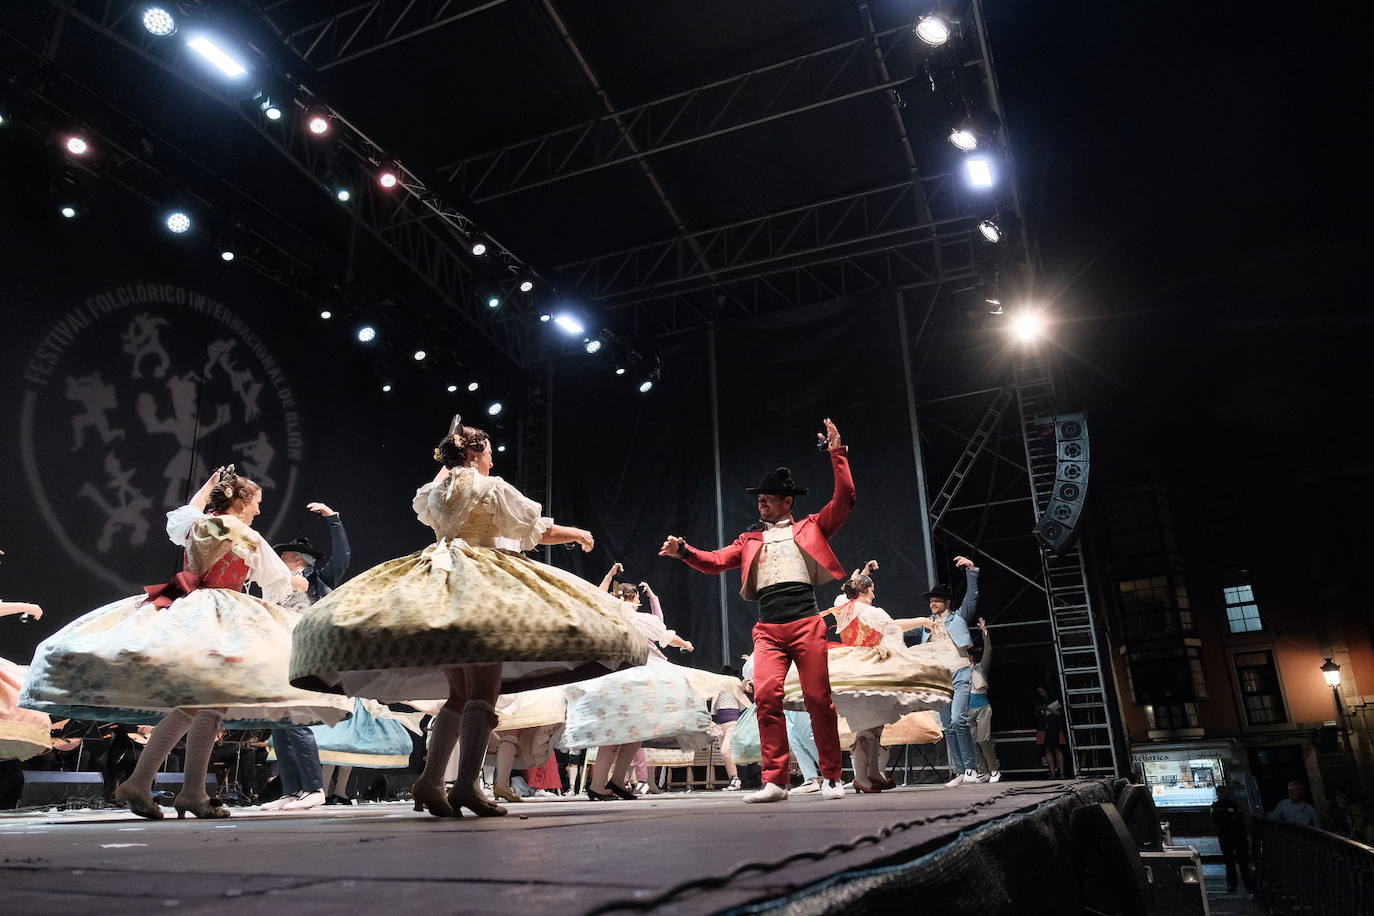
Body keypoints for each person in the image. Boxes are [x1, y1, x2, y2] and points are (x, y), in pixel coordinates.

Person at [289, 418, 650, 818]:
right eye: (489, 452)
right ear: (476, 453)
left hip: (443, 586)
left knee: (459, 694)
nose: (493, 459)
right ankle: (464, 786)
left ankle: (431, 781)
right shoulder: (491, 487)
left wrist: (450, 461)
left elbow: (442, 499)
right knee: (482, 691)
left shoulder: (433, 491)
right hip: (481, 585)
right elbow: (534, 531)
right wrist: (576, 532)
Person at [21, 466, 352, 820]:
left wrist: (209, 484)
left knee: (208, 702)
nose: (258, 510)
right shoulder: (244, 533)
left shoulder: (198, 524)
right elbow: (278, 579)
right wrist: (308, 585)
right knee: (203, 703)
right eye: (257, 502)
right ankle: (151, 784)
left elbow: (190, 509)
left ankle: (186, 790)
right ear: (242, 503)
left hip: (185, 606)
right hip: (220, 613)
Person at [661, 418, 852, 804]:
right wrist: (685, 552)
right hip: (768, 630)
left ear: (788, 501)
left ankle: (832, 776)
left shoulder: (811, 528)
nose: (761, 502)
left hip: (806, 623)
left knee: (818, 699)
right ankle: (775, 781)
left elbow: (845, 499)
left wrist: (837, 454)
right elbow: (715, 561)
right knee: (766, 697)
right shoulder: (749, 539)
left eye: (769, 497)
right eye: (759, 497)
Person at [562, 568, 727, 802]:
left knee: (632, 730)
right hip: (629, 676)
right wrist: (687, 644)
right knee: (620, 731)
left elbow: (597, 596)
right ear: (633, 599)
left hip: (612, 675)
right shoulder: (637, 618)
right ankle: (599, 785)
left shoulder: (607, 615)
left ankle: (615, 781)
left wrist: (608, 576)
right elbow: (666, 636)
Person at [792, 561, 953, 792]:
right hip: (867, 668)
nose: (874, 594)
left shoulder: (842, 605)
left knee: (874, 726)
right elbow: (893, 626)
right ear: (865, 591)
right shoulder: (871, 612)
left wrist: (865, 573)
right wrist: (924, 621)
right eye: (872, 589)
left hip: (851, 666)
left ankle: (873, 772)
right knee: (867, 727)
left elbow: (850, 588)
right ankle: (862, 777)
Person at [264, 502, 352, 811]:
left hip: (302, 653)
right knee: (279, 721)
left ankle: (315, 787)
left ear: (298, 559)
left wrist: (333, 518)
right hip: (277, 651)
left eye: (285, 557)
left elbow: (342, 557)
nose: (280, 561)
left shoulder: (318, 580)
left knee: (295, 719)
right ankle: (292, 790)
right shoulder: (275, 584)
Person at [894, 557, 982, 787]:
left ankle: (971, 768)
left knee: (958, 719)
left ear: (946, 602)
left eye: (937, 601)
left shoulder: (958, 617)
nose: (933, 604)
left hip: (959, 672)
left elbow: (971, 598)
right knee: (948, 726)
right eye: (931, 601)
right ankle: (960, 771)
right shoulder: (926, 625)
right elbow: (908, 635)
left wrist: (971, 570)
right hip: (939, 678)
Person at [967, 618, 1000, 783]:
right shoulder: (958, 673)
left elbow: (988, 651)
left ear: (971, 657)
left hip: (982, 707)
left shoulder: (980, 668)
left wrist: (984, 632)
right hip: (968, 710)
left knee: (983, 739)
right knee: (973, 743)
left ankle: (994, 769)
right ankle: (983, 771)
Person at [1211, 783, 1255, 894]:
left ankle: (1237, 884)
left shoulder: (1221, 806)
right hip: (1231, 835)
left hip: (1231, 835)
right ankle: (1243, 884)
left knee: (1236, 861)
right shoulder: (1226, 805)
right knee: (1237, 861)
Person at [1035, 685, 1067, 779]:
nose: (1041, 693)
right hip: (1043, 727)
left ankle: (1062, 772)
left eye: (1042, 691)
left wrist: (1048, 709)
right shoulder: (1039, 701)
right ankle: (1052, 772)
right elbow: (1036, 715)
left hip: (1054, 726)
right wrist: (1039, 709)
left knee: (1057, 748)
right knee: (1047, 749)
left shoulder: (1054, 699)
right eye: (1039, 692)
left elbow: (1059, 713)